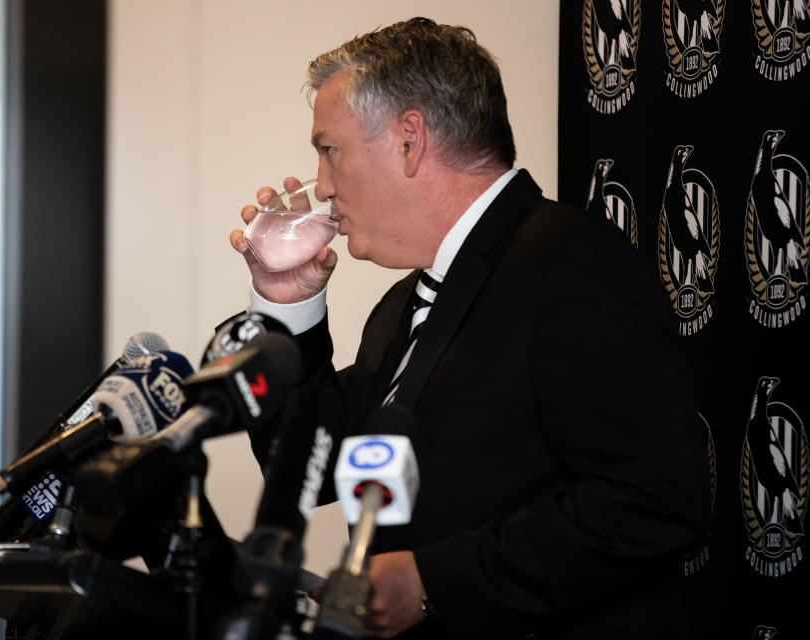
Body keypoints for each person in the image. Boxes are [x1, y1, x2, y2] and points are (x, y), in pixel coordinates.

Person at [229, 17, 710, 640]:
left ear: (409, 139)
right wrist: (285, 306)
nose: (321, 186)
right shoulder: (404, 304)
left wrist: (433, 583)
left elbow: (657, 501)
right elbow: (308, 469)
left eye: (329, 149)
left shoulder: (568, 265)